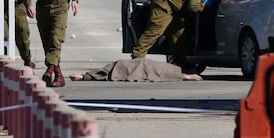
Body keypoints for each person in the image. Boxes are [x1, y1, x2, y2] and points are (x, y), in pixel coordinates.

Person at [131, 0, 223, 69]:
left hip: (171, 8)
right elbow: (193, 7)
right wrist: (205, 5)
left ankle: (180, 64)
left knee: (179, 33)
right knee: (154, 31)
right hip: (163, 4)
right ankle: (137, 59)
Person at [70, 57, 203, 82]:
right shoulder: (174, 69)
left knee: (153, 68)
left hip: (132, 65)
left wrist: (83, 76)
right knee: (154, 69)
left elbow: (101, 72)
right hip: (129, 66)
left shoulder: (173, 69)